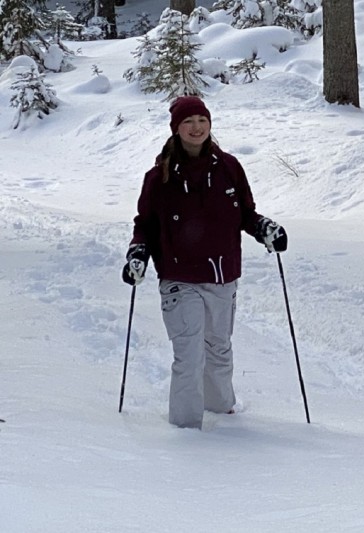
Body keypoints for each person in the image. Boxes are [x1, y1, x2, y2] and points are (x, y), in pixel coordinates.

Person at [121, 95, 288, 429]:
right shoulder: (159, 177)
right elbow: (146, 225)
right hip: (179, 278)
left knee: (219, 349)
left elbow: (246, 214)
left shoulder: (229, 167)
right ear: (176, 129)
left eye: (201, 120)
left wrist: (264, 229)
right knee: (189, 355)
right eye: (188, 122)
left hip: (222, 276)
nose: (196, 128)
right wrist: (138, 252)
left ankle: (221, 409)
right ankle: (185, 431)